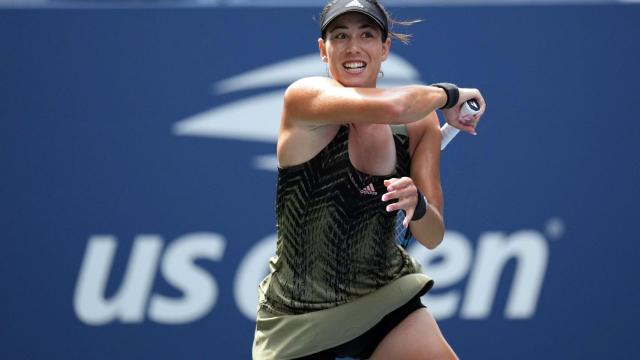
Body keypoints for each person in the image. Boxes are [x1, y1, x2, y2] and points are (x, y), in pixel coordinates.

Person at [252, 0, 486, 359]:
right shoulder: (305, 99)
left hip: (385, 298)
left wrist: (417, 205)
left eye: (367, 34)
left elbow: (433, 236)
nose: (353, 47)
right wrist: (450, 94)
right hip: (297, 316)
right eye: (340, 35)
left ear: (385, 47)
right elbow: (394, 106)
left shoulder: (419, 125)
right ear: (323, 50)